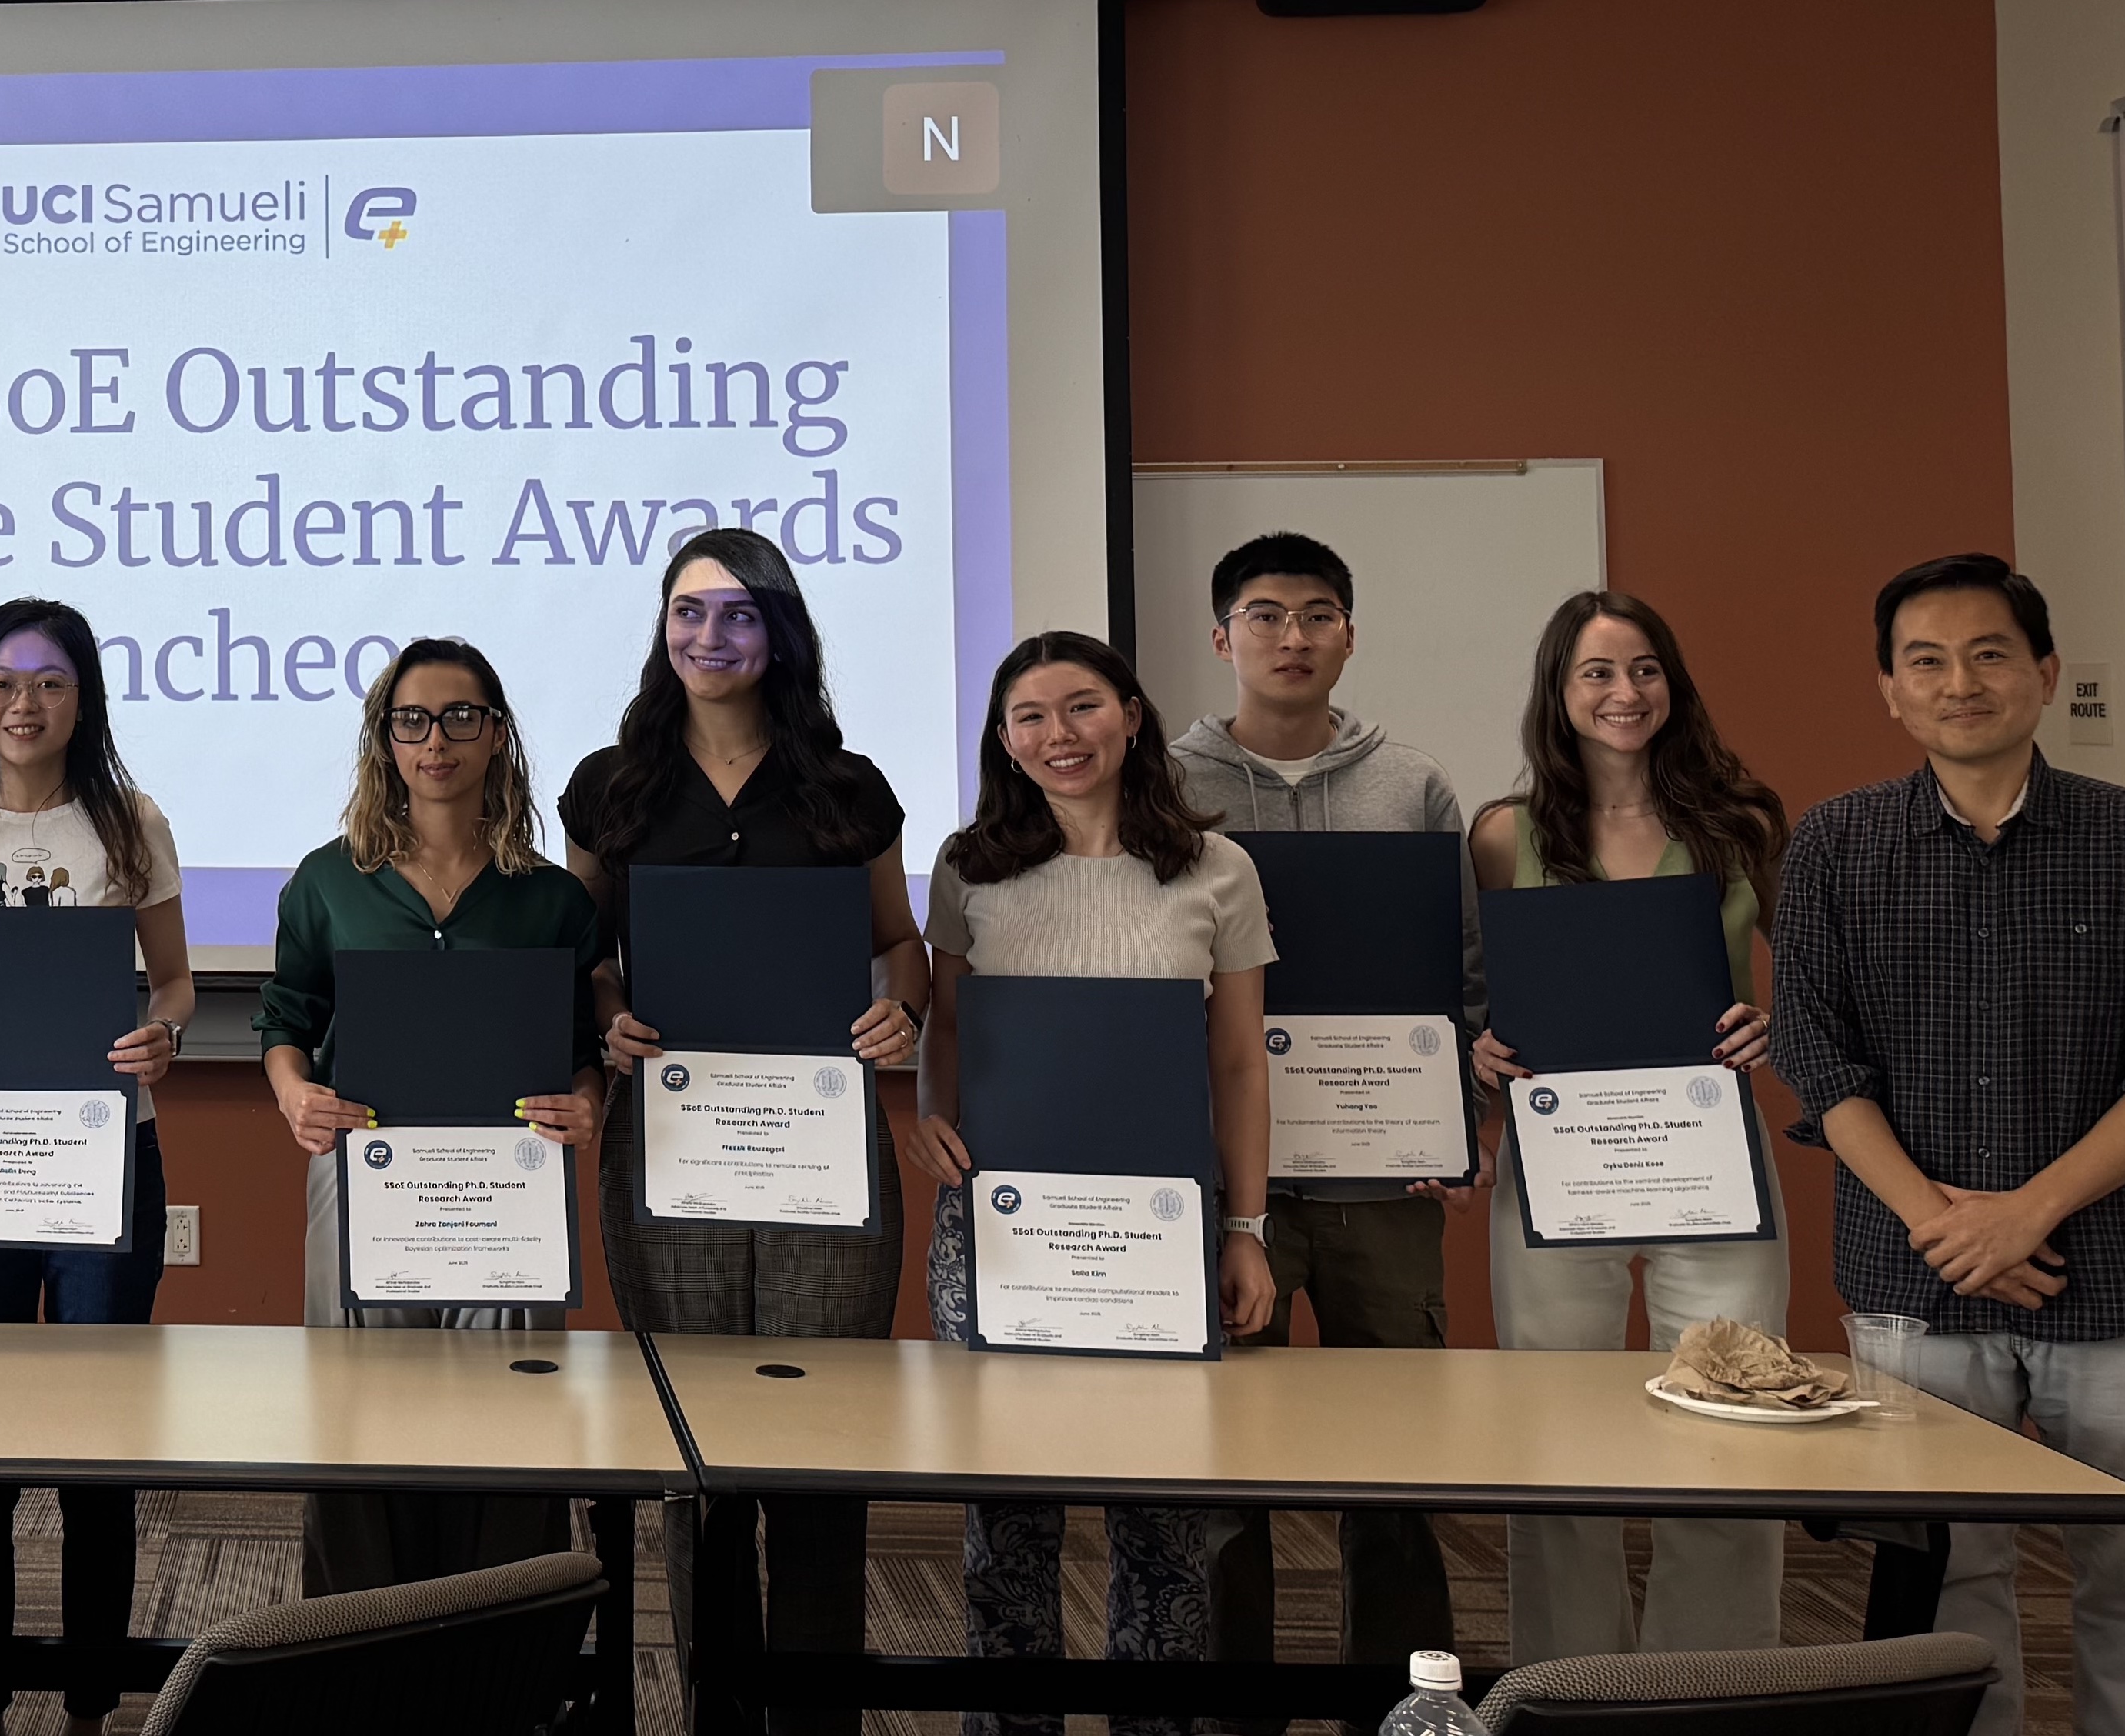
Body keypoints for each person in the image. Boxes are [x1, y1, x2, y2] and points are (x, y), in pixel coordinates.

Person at [1770, 554, 2125, 1736]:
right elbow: (1821, 1064)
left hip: (2120, 1278)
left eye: (1989, 654)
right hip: (1916, 1286)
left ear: (2043, 674)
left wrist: (2021, 1215)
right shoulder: (1834, 846)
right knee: (1945, 1582)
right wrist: (1954, 1229)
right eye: (1924, 659)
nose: (1958, 681)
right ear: (1889, 688)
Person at [564, 529, 916, 1733]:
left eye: (738, 614)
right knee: (694, 1442)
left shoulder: (846, 784)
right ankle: (714, 1708)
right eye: (688, 612)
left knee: (822, 1443)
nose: (709, 637)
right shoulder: (612, 785)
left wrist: (902, 1009)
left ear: (780, 632)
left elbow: (902, 947)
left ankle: (815, 1715)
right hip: (670, 1146)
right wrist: (607, 1018)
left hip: (823, 1148)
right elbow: (588, 957)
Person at [919, 631, 1277, 1736]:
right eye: (1029, 716)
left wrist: (1247, 1225)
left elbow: (1236, 1059)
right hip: (1001, 1224)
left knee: (1159, 1516)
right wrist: (929, 1116)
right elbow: (947, 1022)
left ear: (1130, 714)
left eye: (1081, 708)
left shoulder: (1217, 870)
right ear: (1004, 739)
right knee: (1007, 1513)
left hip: (1158, 1230)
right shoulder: (969, 865)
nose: (1058, 735)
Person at [0, 598, 193, 1734]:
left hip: (107, 1155)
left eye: (50, 682)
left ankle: (101, 1693)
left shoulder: (131, 821)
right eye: (4, 682)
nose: (25, 703)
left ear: (82, 697)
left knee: (99, 1441)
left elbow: (175, 984)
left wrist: (165, 1034)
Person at [1161, 531, 1464, 1680]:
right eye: (1267, 614)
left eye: (1319, 614)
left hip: (1383, 1178)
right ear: (1221, 634)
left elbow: (1461, 976)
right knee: (1226, 1464)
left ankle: (1401, 1697)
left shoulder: (1413, 784)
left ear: (1350, 632)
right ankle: (1239, 1701)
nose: (1293, 637)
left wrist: (1460, 1130)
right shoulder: (1170, 788)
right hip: (1222, 1176)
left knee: (1398, 1462)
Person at [1469, 591, 1792, 1661]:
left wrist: (1773, 1028)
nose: (1625, 693)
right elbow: (1475, 998)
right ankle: (1570, 1683)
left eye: (1646, 669)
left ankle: (1711, 1682)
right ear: (1559, 695)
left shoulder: (1741, 822)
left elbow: (1816, 986)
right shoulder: (1503, 833)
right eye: (1599, 674)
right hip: (1558, 1162)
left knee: (1733, 1422)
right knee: (1558, 1437)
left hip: (1712, 1156)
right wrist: (1477, 1050)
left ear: (1675, 686)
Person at [255, 635, 604, 1595]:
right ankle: (355, 1651)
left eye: (460, 717)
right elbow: (286, 1018)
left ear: (496, 736)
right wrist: (294, 1093)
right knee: (356, 1408)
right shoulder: (328, 881)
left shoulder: (552, 898)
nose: (435, 740)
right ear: (385, 741)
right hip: (365, 1172)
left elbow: (583, 1046)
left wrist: (588, 1100)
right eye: (411, 720)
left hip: (511, 1187)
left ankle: (500, 1642)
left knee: (513, 1412)